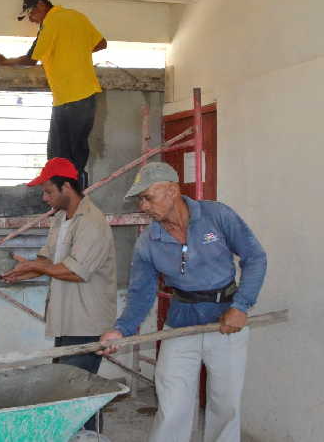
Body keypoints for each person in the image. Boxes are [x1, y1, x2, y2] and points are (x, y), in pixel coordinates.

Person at [99, 162, 267, 442]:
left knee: (225, 406)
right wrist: (122, 329)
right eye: (139, 199)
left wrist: (241, 306)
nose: (143, 206)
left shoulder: (217, 215)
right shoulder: (149, 242)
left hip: (226, 321)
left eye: (147, 197)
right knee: (172, 405)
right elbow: (141, 292)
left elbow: (255, 257)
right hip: (179, 325)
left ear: (172, 191)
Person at [2, 157, 116, 431]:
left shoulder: (92, 222)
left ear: (67, 187)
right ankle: (81, 435)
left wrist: (33, 266)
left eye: (48, 191)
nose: (44, 198)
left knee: (77, 393)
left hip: (87, 321)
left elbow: (75, 272)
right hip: (66, 318)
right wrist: (21, 271)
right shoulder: (61, 220)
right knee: (68, 390)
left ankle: (90, 437)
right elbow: (47, 263)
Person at [0, 0, 107, 188]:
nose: (32, 19)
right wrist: (74, 49)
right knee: (76, 155)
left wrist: (3, 61)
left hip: (69, 99)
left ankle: (67, 198)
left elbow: (31, 59)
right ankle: (73, 195)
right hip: (85, 96)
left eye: (32, 13)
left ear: (42, 4)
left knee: (58, 156)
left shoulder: (50, 22)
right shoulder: (77, 16)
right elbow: (101, 43)